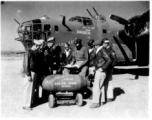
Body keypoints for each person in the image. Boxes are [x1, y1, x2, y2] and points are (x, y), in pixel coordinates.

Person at [89, 39, 111, 108]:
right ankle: (101, 101)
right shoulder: (101, 50)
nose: (94, 47)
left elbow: (109, 60)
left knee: (96, 87)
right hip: (100, 70)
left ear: (97, 45)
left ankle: (96, 103)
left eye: (94, 45)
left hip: (100, 71)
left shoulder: (101, 51)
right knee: (101, 86)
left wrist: (102, 68)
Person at [22, 39, 42, 110]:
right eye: (38, 46)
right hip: (30, 72)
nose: (39, 48)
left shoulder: (34, 52)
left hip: (34, 72)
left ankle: (30, 103)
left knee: (32, 89)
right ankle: (26, 105)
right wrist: (28, 75)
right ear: (35, 45)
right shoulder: (28, 52)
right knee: (28, 89)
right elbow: (25, 64)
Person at [102, 38, 118, 103]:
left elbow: (115, 61)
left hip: (109, 69)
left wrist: (110, 67)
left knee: (109, 81)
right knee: (105, 82)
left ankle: (110, 97)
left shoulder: (111, 51)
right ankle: (106, 96)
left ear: (106, 44)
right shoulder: (105, 50)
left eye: (103, 43)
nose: (102, 45)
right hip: (105, 69)